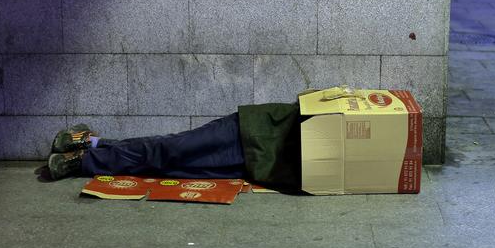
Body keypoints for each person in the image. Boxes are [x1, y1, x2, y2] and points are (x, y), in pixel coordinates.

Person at [48, 101, 306, 192]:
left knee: (169, 165)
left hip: (258, 167)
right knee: (169, 149)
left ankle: (93, 144)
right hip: (249, 131)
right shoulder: (345, 112)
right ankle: (83, 160)